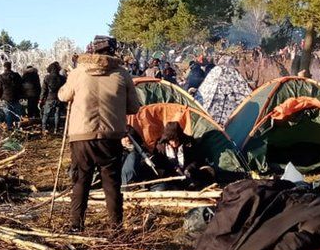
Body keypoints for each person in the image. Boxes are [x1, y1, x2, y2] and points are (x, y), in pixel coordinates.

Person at [58, 35, 141, 230]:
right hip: (110, 136)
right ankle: (116, 227)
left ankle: (76, 225)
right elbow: (134, 108)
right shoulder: (122, 74)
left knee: (81, 181)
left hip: (81, 136)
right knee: (111, 183)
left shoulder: (78, 72)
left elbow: (63, 96)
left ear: (93, 50)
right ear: (113, 51)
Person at [150, 122, 214, 189]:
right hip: (171, 176)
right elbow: (158, 163)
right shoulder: (160, 147)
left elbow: (198, 159)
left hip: (189, 173)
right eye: (171, 141)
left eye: (176, 140)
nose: (174, 143)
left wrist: (190, 168)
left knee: (196, 184)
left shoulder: (189, 143)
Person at [0, 61, 23, 130]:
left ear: (4, 67)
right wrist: (22, 95)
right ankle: (18, 127)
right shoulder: (16, 75)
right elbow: (21, 86)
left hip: (6, 97)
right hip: (16, 96)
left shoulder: (1, 76)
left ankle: (9, 127)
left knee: (8, 113)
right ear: (10, 67)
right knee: (17, 112)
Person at [40, 61, 65, 134]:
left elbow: (43, 90)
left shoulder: (47, 78)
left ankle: (44, 129)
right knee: (57, 115)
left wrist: (41, 99)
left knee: (46, 114)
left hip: (50, 99)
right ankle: (56, 130)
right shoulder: (62, 78)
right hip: (59, 98)